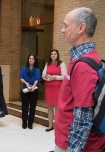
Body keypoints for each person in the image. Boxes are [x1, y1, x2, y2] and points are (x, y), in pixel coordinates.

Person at [55, 7, 105, 152]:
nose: (62, 30)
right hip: (66, 139)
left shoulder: (83, 66)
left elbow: (82, 118)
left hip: (71, 144)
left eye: (65, 25)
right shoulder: (82, 59)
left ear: (81, 28)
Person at [42, 49, 66, 132]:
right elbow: (43, 75)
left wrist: (54, 77)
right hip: (49, 87)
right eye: (52, 54)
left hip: (58, 87)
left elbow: (64, 76)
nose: (53, 55)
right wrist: (48, 78)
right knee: (49, 107)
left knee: (57, 107)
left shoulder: (61, 64)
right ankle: (50, 125)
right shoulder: (47, 64)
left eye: (55, 54)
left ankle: (57, 126)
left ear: (57, 55)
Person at [19, 54, 41, 129]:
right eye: (30, 58)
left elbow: (37, 79)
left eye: (33, 59)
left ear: (35, 61)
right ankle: (24, 123)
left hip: (34, 91)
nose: (31, 60)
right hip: (25, 90)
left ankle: (30, 123)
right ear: (28, 59)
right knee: (24, 107)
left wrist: (34, 86)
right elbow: (21, 77)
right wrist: (26, 83)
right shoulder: (23, 68)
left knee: (32, 107)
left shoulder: (37, 69)